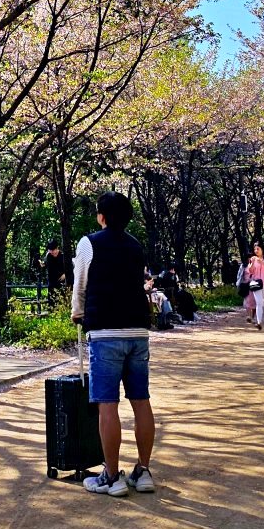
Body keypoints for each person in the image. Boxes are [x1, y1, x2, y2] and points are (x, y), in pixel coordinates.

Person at [72, 191, 156, 497]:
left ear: (101, 216)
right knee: (140, 400)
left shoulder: (89, 243)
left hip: (105, 332)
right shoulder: (136, 245)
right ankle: (143, 471)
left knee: (108, 405)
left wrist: (77, 313)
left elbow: (80, 282)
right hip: (138, 332)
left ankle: (111, 476)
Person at [246, 244, 264, 330]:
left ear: (262, 250)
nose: (256, 251)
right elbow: (250, 271)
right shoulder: (253, 259)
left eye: (258, 249)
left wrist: (263, 262)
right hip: (257, 284)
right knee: (259, 303)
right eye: (255, 249)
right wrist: (252, 263)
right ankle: (259, 322)